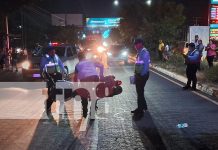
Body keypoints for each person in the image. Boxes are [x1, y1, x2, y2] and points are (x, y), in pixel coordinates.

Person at [73, 51, 104, 118]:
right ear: (85, 56)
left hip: (84, 79)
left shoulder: (77, 65)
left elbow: (75, 78)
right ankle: (92, 113)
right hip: (95, 78)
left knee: (84, 95)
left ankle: (84, 113)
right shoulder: (91, 61)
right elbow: (101, 66)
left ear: (78, 58)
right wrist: (101, 76)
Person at [40, 46, 67, 119]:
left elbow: (61, 64)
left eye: (54, 51)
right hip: (50, 77)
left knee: (60, 91)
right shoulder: (45, 58)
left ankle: (61, 107)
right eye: (52, 51)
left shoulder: (56, 57)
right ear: (49, 52)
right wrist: (44, 77)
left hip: (58, 76)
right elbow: (42, 68)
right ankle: (48, 107)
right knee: (51, 93)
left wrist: (64, 72)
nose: (54, 52)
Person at [131, 38, 150, 118]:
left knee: (139, 92)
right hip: (139, 74)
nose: (135, 46)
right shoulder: (139, 52)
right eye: (134, 44)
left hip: (142, 75)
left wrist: (141, 75)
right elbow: (138, 64)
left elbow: (146, 65)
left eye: (136, 44)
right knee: (140, 92)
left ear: (141, 44)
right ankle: (144, 106)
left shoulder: (144, 52)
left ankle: (140, 110)